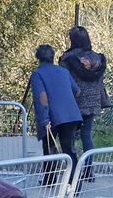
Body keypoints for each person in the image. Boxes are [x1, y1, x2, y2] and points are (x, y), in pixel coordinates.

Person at [30, 44, 82, 186]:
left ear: (38, 58)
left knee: (50, 148)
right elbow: (77, 91)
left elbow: (42, 97)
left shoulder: (38, 74)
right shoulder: (63, 71)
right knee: (69, 149)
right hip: (71, 115)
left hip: (52, 117)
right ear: (53, 57)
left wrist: (45, 119)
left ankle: (50, 181)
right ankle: (75, 184)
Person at [61, 26, 109, 162]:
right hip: (93, 101)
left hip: (74, 101)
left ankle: (73, 170)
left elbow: (64, 81)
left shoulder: (67, 58)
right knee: (86, 135)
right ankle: (88, 171)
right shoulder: (98, 58)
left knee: (70, 137)